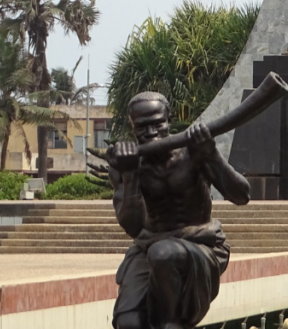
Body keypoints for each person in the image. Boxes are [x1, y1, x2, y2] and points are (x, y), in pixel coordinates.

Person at [108, 92, 251, 329]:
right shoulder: (126, 165)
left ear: (169, 119)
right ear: (131, 126)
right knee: (129, 323)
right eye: (143, 127)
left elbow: (241, 195)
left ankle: (170, 322)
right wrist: (130, 175)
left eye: (158, 124)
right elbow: (133, 226)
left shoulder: (192, 153)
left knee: (164, 254)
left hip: (201, 247)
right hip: (148, 248)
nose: (152, 133)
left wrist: (211, 153)